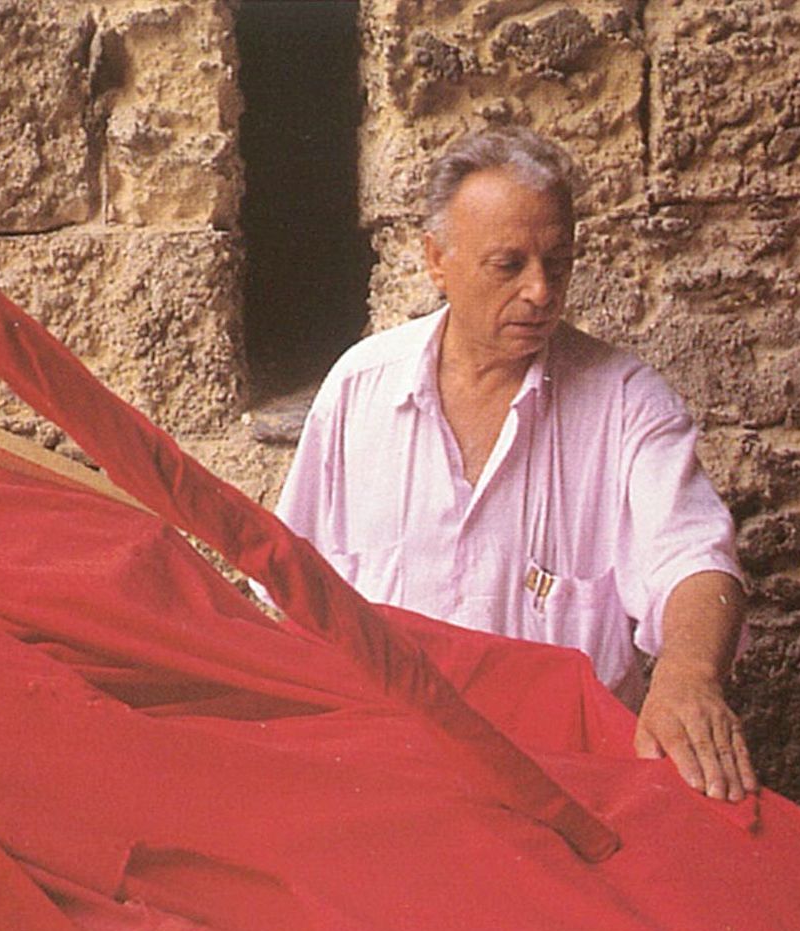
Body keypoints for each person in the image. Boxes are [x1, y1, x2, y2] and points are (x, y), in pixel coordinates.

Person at [268, 126, 757, 801]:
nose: (539, 290)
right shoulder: (359, 388)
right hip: (389, 780)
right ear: (437, 260)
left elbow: (694, 562)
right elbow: (292, 591)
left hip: (567, 790)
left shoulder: (625, 403)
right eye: (509, 264)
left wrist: (687, 675)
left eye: (557, 264)